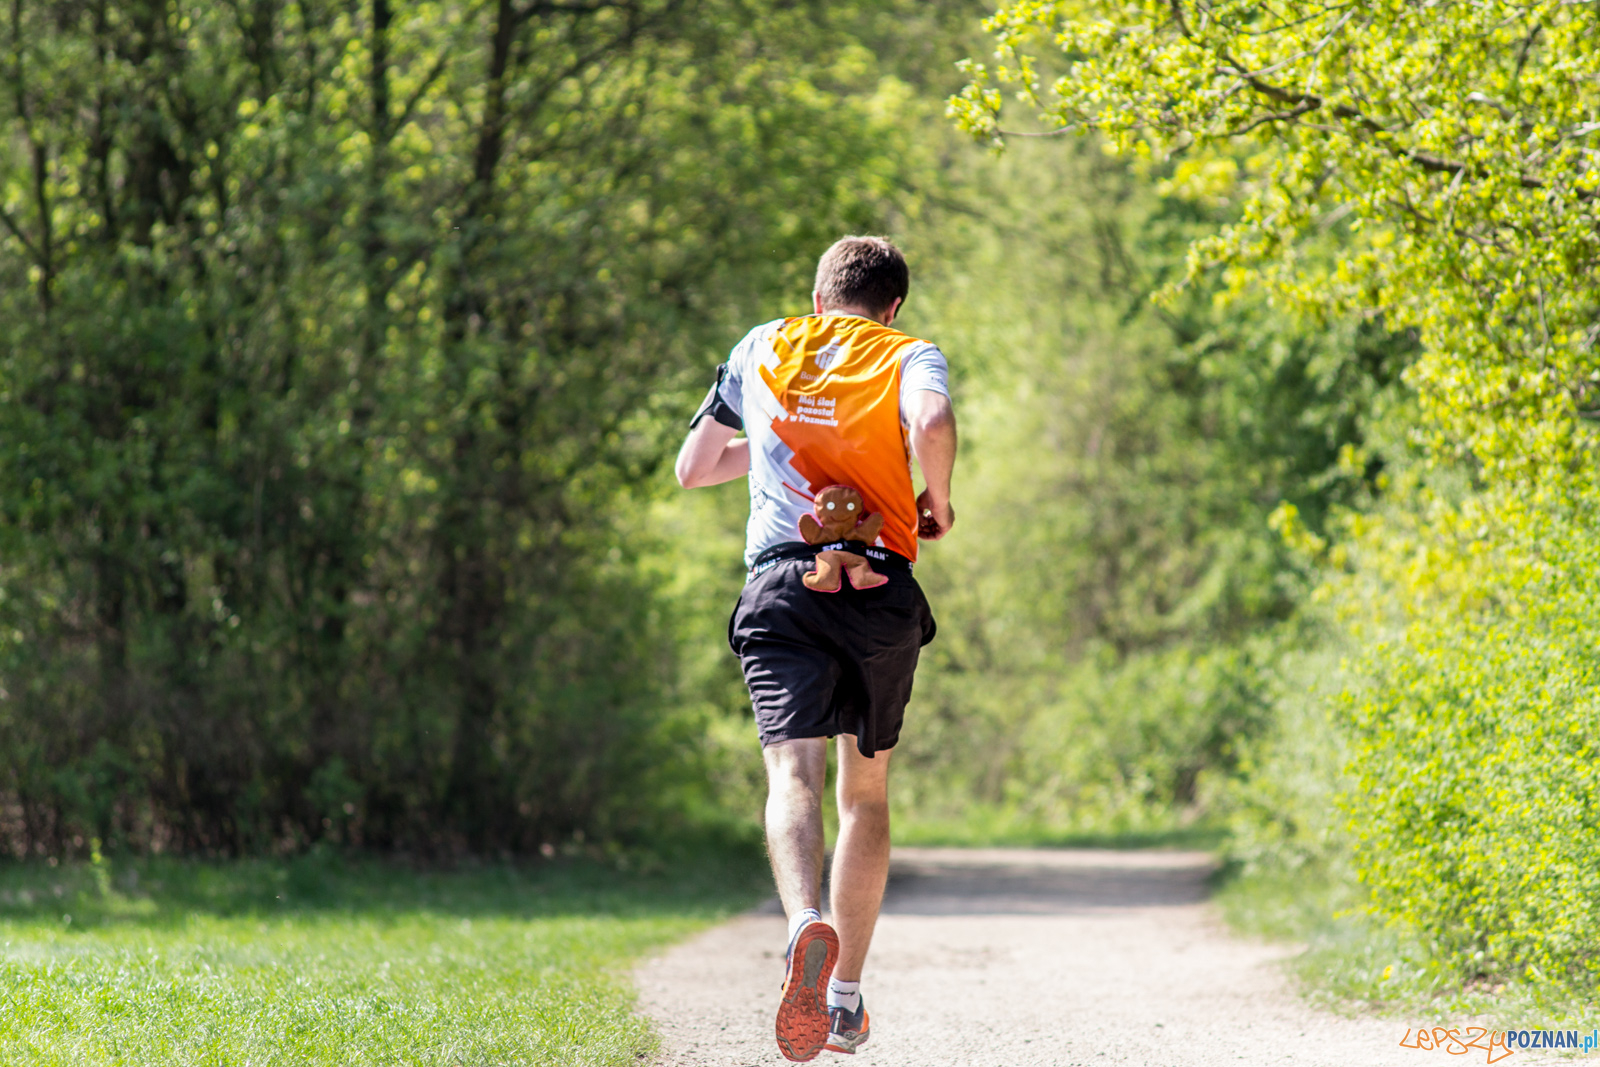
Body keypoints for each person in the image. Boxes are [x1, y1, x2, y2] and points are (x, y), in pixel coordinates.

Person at [675, 236, 957, 1061]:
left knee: (789, 775)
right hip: (878, 589)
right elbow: (931, 422)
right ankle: (842, 1000)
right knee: (863, 793)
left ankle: (804, 922)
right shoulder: (909, 353)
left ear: (818, 297)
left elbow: (694, 467)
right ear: (892, 307)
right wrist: (938, 499)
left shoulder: (762, 344)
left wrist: (772, 445)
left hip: (781, 587)